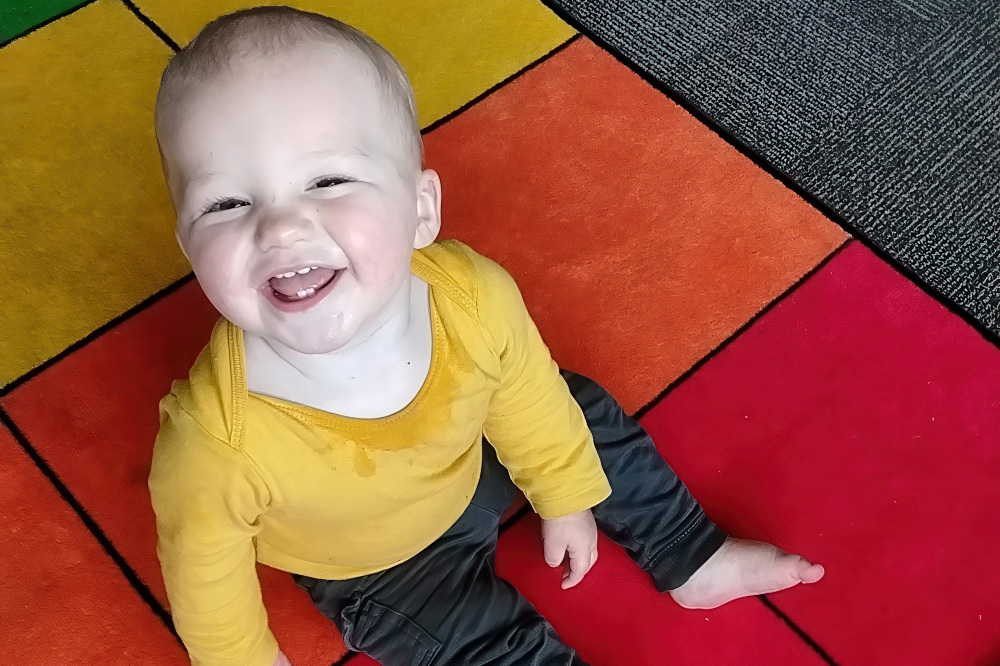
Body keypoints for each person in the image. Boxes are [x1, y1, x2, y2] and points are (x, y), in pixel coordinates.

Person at [148, 7, 825, 666]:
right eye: (227, 203)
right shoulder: (212, 443)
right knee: (477, 645)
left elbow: (527, 396)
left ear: (419, 210)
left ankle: (689, 553)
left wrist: (563, 495)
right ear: (188, 245)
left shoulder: (471, 294)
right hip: (377, 568)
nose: (280, 229)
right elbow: (211, 593)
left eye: (326, 181)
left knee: (574, 408)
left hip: (473, 457)